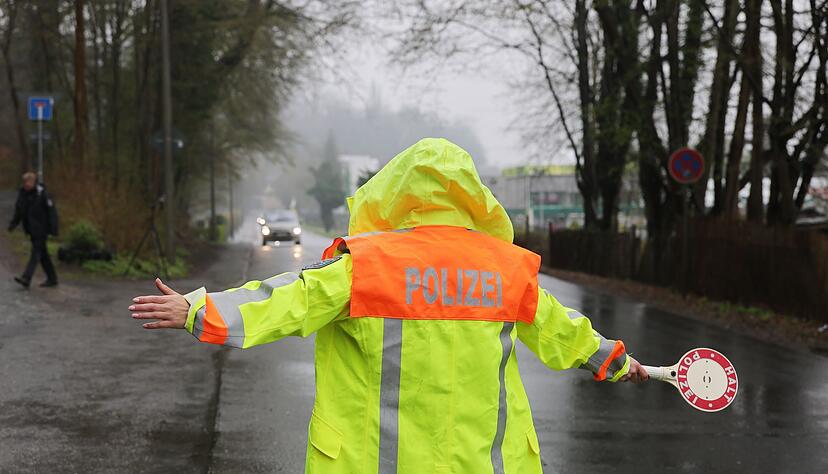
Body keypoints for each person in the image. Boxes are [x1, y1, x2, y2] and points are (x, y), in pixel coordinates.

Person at [129, 138, 648, 474]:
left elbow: (287, 300)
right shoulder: (505, 269)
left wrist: (198, 310)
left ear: (395, 193)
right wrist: (619, 362)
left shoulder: (368, 263)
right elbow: (568, 333)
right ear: (474, 198)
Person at [8, 172, 59, 288]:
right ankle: (52, 278)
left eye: (28, 182)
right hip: (31, 229)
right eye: (24, 182)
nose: (26, 184)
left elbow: (52, 213)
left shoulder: (43, 194)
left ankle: (26, 278)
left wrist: (54, 229)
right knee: (43, 254)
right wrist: (13, 224)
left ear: (34, 182)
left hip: (42, 229)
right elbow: (19, 210)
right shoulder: (22, 194)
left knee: (35, 253)